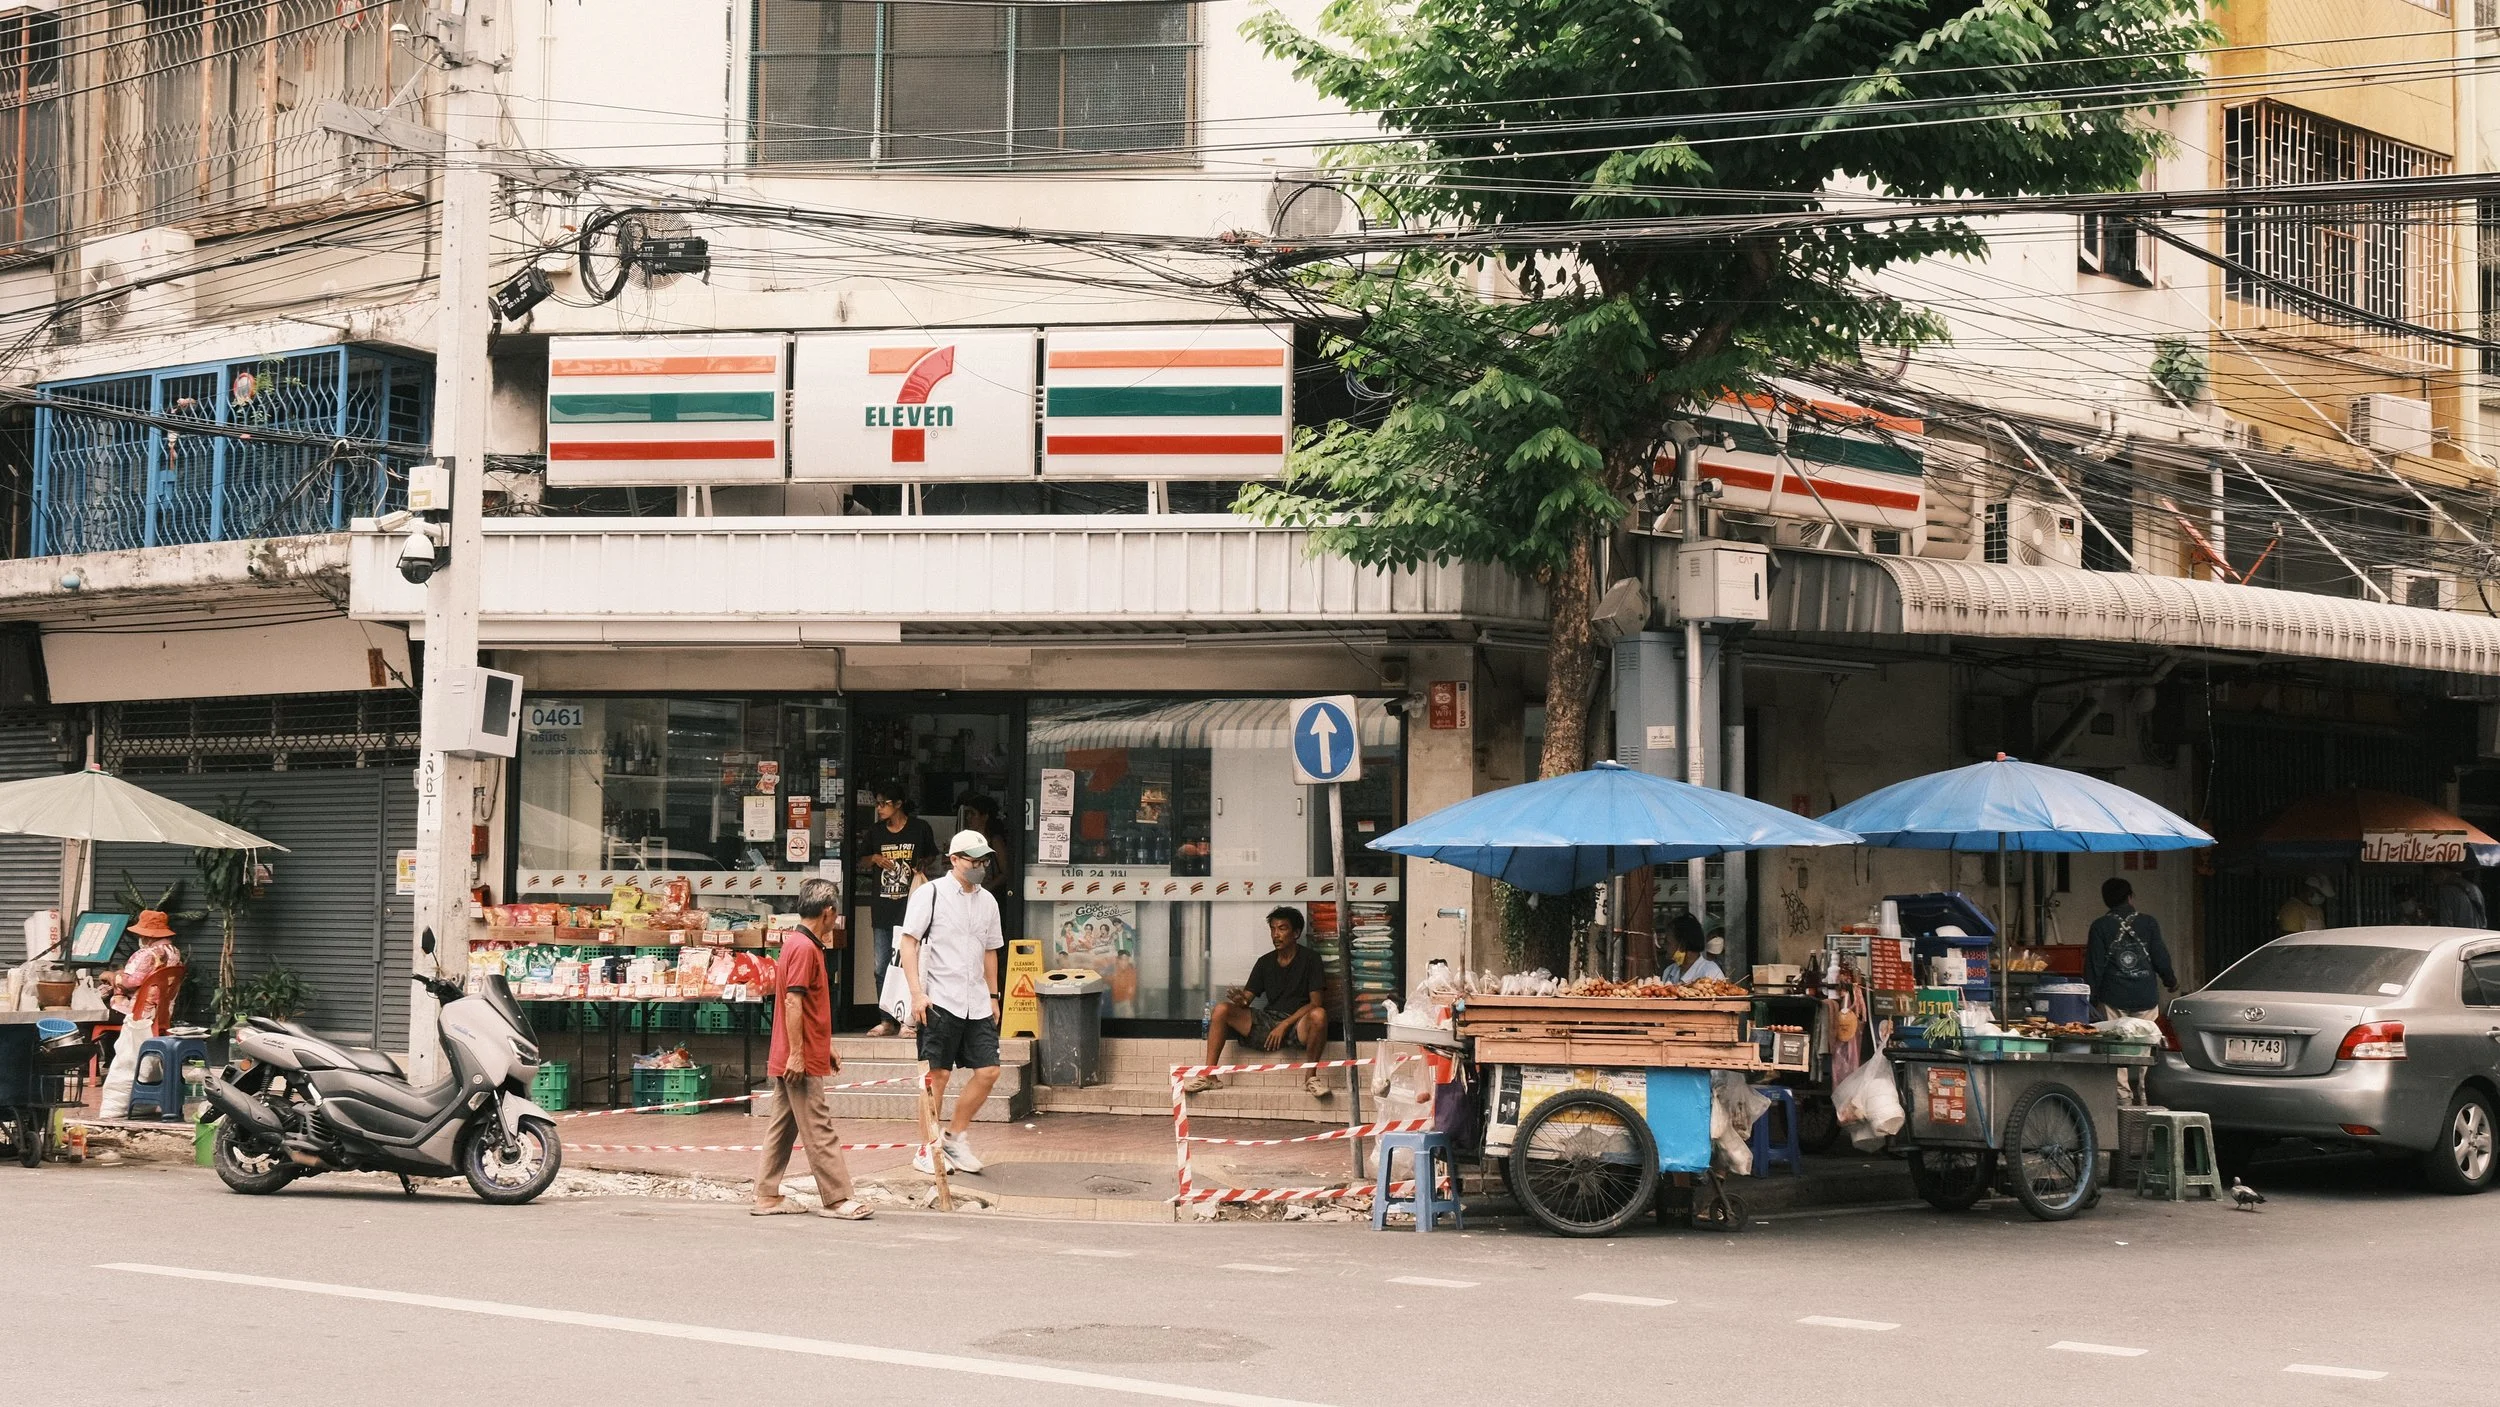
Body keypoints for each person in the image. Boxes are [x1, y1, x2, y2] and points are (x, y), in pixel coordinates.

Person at [752, 879, 873, 1220]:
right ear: (828, 912)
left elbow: (804, 1007)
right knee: (819, 1127)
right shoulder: (805, 948)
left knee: (782, 1126)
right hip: (798, 1058)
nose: (835, 920)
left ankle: (766, 1194)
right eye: (835, 914)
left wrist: (825, 1045)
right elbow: (794, 1001)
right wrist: (798, 1054)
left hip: (795, 1052)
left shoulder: (795, 943)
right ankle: (837, 1199)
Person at [901, 830, 1007, 1176]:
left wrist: (994, 995)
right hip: (938, 998)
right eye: (973, 861)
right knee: (938, 1075)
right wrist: (917, 993)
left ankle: (954, 1137)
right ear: (954, 859)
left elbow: (991, 949)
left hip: (976, 999)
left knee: (989, 1070)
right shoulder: (929, 894)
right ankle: (927, 1147)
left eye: (984, 861)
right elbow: (908, 943)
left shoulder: (988, 901)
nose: (980, 867)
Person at [1184, 907, 1331, 1099]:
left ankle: (1310, 1078)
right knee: (1221, 1009)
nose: (1276, 935)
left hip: (1298, 1023)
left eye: (1282, 928)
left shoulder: (1311, 959)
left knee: (1319, 1015)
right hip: (1268, 1022)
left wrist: (1285, 1025)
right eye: (1272, 929)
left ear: (1296, 933)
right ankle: (1209, 1076)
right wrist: (1240, 1000)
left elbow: (1315, 1003)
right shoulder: (1265, 962)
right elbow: (1247, 998)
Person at [2085, 877, 2177, 1104]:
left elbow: (2094, 966)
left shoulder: (2100, 927)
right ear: (2130, 897)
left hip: (2112, 997)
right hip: (2145, 995)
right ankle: (2147, 1097)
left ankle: (2123, 1100)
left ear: (2106, 901)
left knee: (2115, 1048)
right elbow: (2160, 957)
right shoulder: (2148, 923)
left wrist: (2089, 999)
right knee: (2148, 1047)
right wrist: (2170, 980)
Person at [860, 790, 937, 1037]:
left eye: (884, 804)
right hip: (883, 907)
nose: (880, 809)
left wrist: (923, 865)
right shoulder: (875, 832)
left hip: (912, 906)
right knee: (881, 966)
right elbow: (860, 861)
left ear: (899, 803)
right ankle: (887, 1019)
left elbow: (932, 855)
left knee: (910, 965)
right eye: (878, 804)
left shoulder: (919, 828)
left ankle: (909, 1020)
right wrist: (873, 858)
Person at [97, 910, 182, 1120]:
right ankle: (143, 1105)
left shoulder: (146, 954)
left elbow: (130, 981)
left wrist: (112, 976)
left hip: (140, 1014)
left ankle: (101, 1073)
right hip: (160, 1015)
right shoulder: (174, 952)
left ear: (147, 936)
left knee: (95, 1020)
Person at [1663, 914, 1723, 984]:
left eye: (1667, 942)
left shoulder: (1711, 973)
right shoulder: (1669, 972)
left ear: (1682, 946)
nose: (1664, 946)